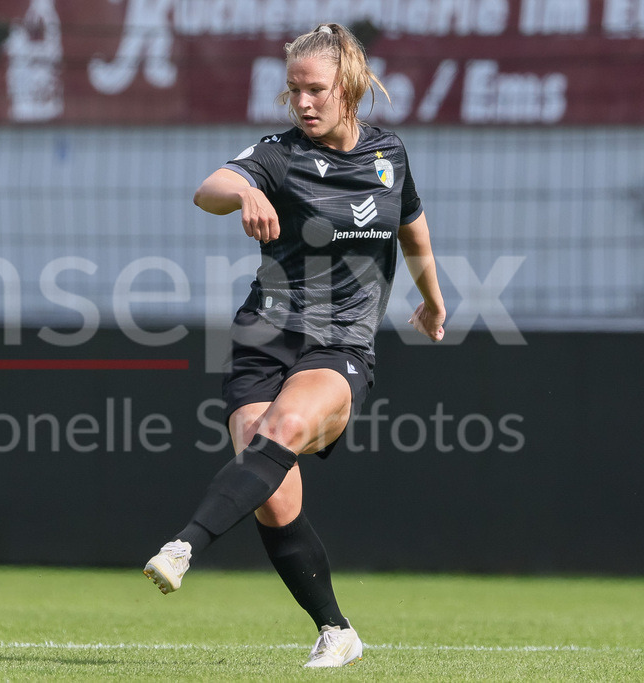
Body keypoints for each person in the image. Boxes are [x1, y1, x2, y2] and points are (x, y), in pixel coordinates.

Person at [143, 23, 446, 668]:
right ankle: (337, 631)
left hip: (340, 343)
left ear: (351, 88)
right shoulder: (279, 155)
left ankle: (183, 545)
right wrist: (248, 190)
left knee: (279, 432)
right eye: (294, 91)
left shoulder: (389, 153)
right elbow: (208, 190)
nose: (303, 103)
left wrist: (433, 297)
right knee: (275, 496)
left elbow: (412, 229)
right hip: (263, 336)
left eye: (316, 90)